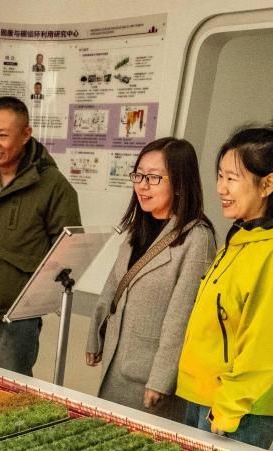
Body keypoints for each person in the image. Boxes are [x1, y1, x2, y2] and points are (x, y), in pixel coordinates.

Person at [176, 117, 273, 449]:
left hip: (236, 412)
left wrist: (228, 409)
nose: (220, 188)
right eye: (220, 176)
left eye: (232, 178)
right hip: (206, 399)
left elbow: (264, 344)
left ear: (267, 184)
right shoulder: (241, 238)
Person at [86, 138, 215, 420]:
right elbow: (113, 285)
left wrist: (161, 379)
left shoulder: (197, 238)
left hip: (149, 376)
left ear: (180, 184)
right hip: (116, 361)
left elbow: (182, 317)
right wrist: (95, 335)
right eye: (139, 175)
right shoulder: (140, 227)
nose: (142, 186)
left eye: (154, 178)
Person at [0, 96, 80, 376]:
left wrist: (34, 297)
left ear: (26, 135)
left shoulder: (52, 185)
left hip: (18, 314)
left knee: (12, 393)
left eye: (3, 135)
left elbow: (68, 251)